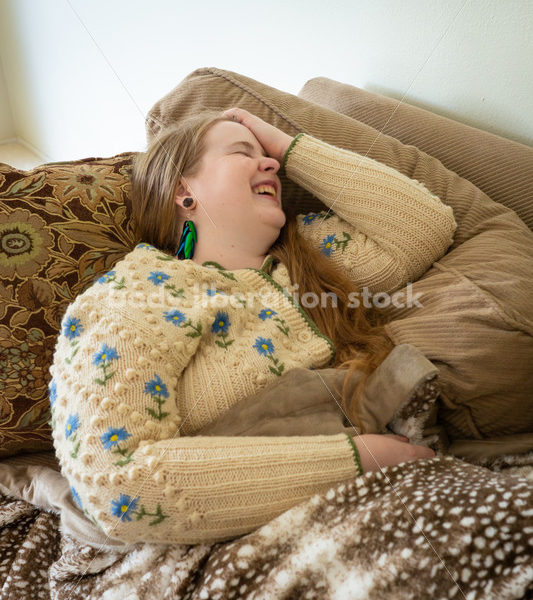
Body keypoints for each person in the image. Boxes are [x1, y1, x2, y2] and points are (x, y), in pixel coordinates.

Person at [48, 108, 457, 545]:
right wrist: (357, 460)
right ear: (184, 191)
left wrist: (287, 146)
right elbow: (116, 485)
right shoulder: (139, 290)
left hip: (382, 493)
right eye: (242, 152)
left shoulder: (314, 259)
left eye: (271, 158)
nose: (272, 166)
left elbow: (424, 229)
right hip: (236, 535)